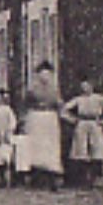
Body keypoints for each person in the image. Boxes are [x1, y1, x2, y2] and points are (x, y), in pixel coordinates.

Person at [61, 79, 103, 189]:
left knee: (97, 150)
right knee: (81, 151)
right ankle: (83, 180)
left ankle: (95, 178)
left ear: (92, 86)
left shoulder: (99, 98)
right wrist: (73, 120)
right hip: (82, 124)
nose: (85, 89)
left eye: (87, 86)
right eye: (83, 87)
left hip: (95, 124)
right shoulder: (78, 99)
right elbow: (64, 110)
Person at [19, 61, 63, 189]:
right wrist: (24, 120)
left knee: (50, 147)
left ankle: (51, 177)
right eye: (42, 74)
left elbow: (59, 104)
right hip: (35, 118)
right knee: (35, 147)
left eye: (48, 74)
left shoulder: (54, 89)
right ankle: (35, 177)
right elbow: (25, 105)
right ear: (38, 76)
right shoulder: (32, 89)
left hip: (50, 118)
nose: (45, 77)